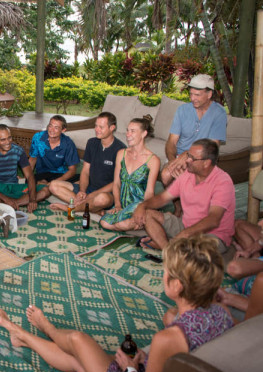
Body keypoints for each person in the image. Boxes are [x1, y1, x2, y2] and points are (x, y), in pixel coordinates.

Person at [0, 234, 233, 372]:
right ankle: (22, 337)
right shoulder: (223, 314)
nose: (163, 275)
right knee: (82, 359)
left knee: (78, 341)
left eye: (166, 272)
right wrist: (141, 362)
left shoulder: (169, 338)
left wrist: (130, 370)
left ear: (177, 286)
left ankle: (41, 330)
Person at [133, 139, 235, 252]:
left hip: (213, 236)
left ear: (206, 163)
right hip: (186, 226)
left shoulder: (223, 181)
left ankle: (171, 246)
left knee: (192, 254)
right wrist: (142, 206)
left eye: (193, 158)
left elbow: (213, 219)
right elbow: (163, 198)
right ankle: (168, 250)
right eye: (188, 156)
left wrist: (184, 234)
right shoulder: (188, 174)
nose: (187, 160)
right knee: (147, 214)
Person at [161, 74, 227, 215]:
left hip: (202, 157)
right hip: (179, 155)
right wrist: (174, 161)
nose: (192, 98)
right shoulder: (183, 110)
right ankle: (179, 208)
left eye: (197, 95)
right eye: (191, 94)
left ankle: (193, 211)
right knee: (166, 175)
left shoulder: (219, 113)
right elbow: (171, 141)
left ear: (209, 94)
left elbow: (212, 147)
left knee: (190, 178)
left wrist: (187, 155)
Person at [49, 112, 126, 215]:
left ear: (112, 128)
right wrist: (82, 191)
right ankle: (93, 208)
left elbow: (117, 182)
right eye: (96, 126)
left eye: (101, 127)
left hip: (106, 193)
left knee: (102, 199)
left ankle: (72, 208)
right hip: (89, 188)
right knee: (53, 185)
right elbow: (85, 171)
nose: (97, 129)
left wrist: (93, 195)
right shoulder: (92, 142)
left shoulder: (120, 149)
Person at [100, 116, 160, 231]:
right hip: (122, 203)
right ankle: (136, 223)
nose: (128, 134)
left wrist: (143, 208)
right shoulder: (121, 154)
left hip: (140, 203)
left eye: (133, 131)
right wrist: (117, 205)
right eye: (127, 130)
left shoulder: (153, 160)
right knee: (104, 223)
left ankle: (143, 218)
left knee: (121, 224)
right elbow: (116, 184)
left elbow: (149, 192)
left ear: (144, 134)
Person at [0, 124, 49, 213]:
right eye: (3, 140)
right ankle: (9, 201)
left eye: (9, 138)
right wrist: (5, 198)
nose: (7, 142)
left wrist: (32, 199)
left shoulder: (18, 150)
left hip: (13, 187)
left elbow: (30, 176)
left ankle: (14, 203)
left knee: (45, 190)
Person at [29, 115, 80, 184]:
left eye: (56, 128)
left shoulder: (68, 143)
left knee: (83, 179)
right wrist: (28, 177)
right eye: (50, 126)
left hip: (61, 174)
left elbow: (72, 170)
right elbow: (32, 159)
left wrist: (56, 182)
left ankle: (49, 185)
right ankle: (46, 184)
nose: (51, 130)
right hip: (43, 173)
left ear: (63, 130)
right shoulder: (38, 137)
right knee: (31, 179)